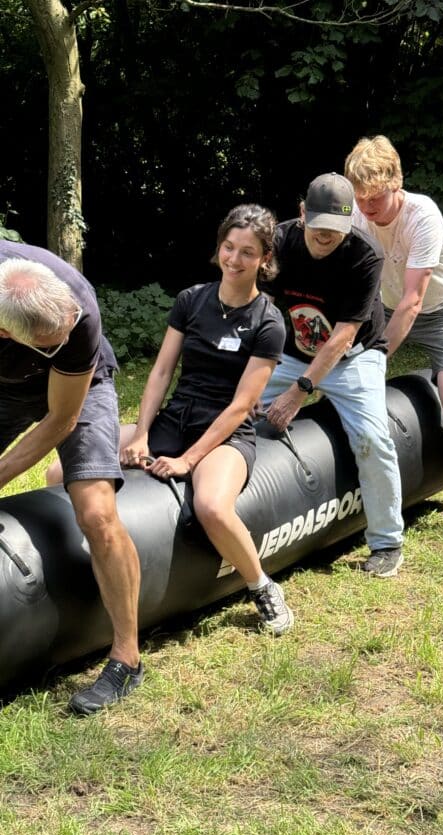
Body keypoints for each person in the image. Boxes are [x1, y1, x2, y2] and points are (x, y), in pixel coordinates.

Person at [120, 203, 294, 635]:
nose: (234, 259)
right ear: (219, 247)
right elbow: (161, 371)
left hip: (228, 434)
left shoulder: (269, 322)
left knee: (212, 506)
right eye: (229, 247)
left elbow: (240, 406)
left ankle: (261, 586)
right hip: (177, 417)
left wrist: (188, 460)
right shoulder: (191, 300)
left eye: (248, 252)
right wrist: (141, 434)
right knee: (63, 469)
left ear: (264, 259)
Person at [0, 242, 142, 714]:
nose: (63, 339)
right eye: (49, 343)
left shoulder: (77, 311)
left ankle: (127, 657)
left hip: (80, 386)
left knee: (98, 513)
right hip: (5, 383)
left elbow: (62, 418)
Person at [260, 173, 405, 578]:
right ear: (302, 213)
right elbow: (262, 308)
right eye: (319, 226)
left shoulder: (365, 255)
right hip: (291, 352)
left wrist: (300, 391)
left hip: (355, 356)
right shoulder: (280, 242)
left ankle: (387, 541)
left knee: (372, 438)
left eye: (336, 228)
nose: (327, 236)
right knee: (240, 408)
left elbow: (343, 336)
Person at [344, 135, 443, 540]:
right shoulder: (357, 213)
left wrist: (376, 356)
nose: (367, 208)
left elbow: (413, 300)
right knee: (341, 376)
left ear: (396, 183)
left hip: (442, 312)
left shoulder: (422, 215)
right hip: (384, 307)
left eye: (375, 198)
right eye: (360, 198)